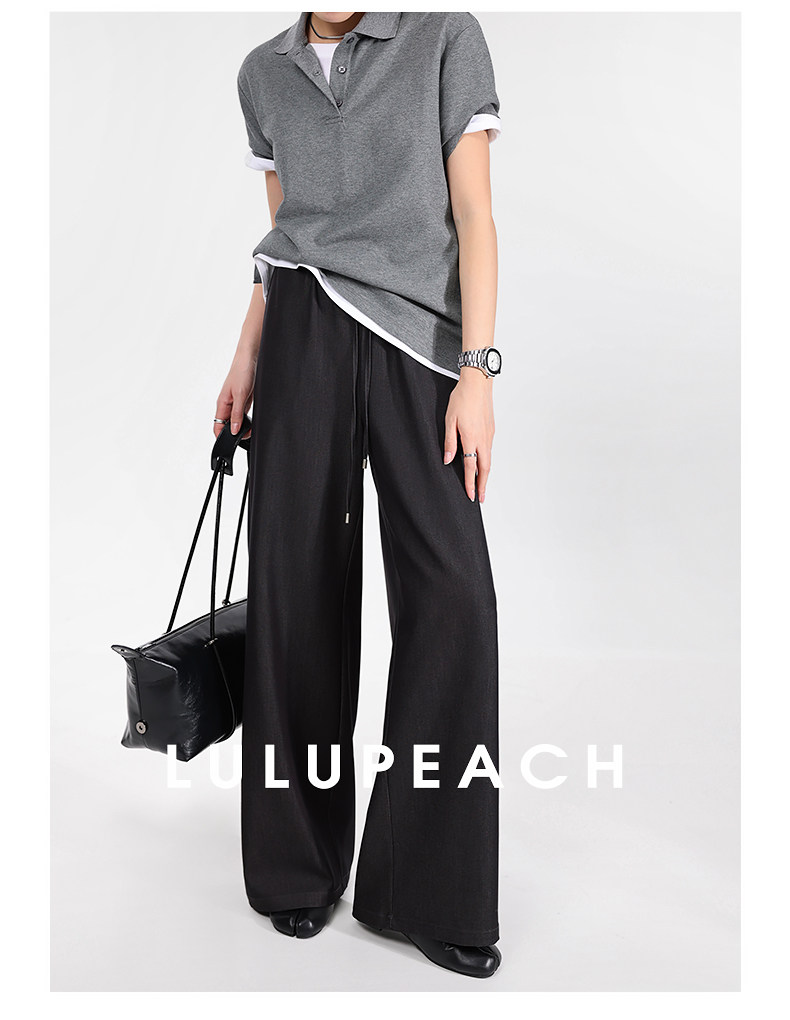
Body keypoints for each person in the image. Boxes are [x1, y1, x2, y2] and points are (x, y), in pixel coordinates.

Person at [215, 12, 504, 979]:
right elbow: (285, 233)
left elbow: (475, 216)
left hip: (419, 344)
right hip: (301, 333)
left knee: (454, 598)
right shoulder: (263, 72)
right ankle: (297, 870)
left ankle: (426, 889)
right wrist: (246, 359)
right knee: (296, 598)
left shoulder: (443, 37)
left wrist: (478, 372)